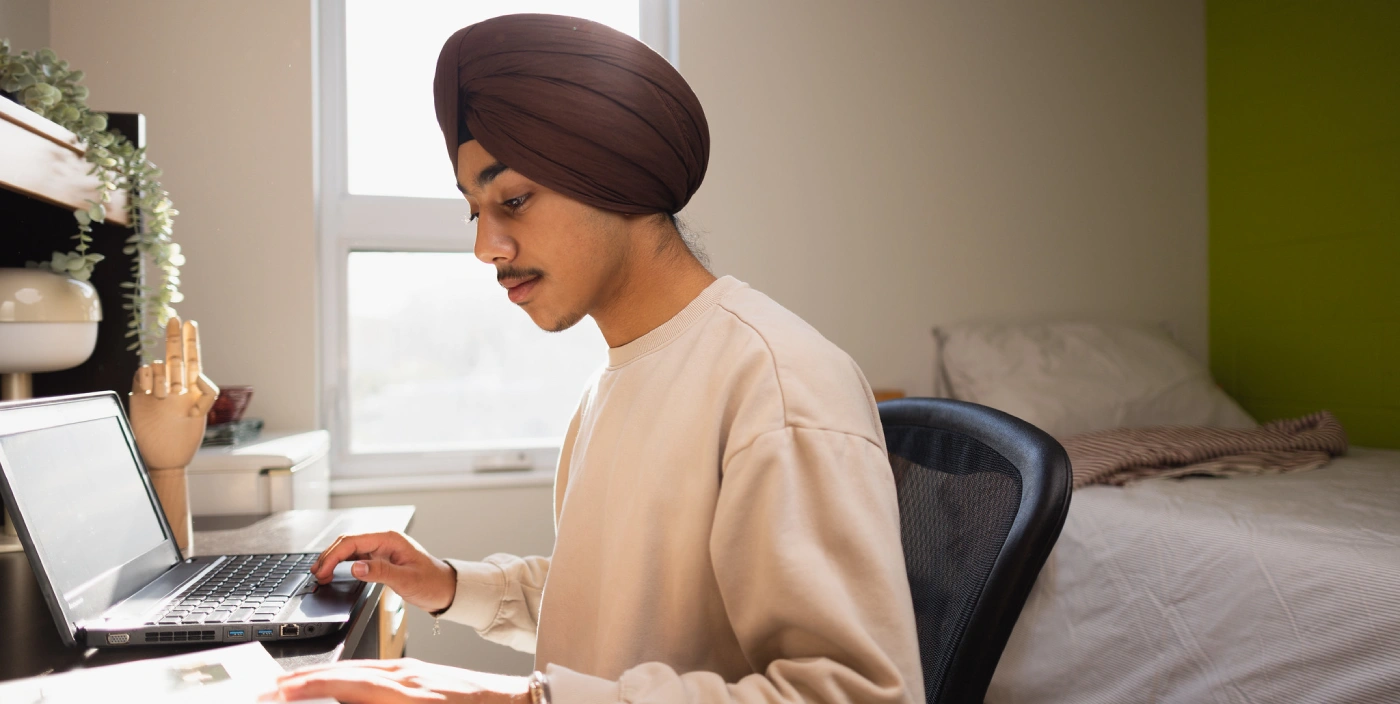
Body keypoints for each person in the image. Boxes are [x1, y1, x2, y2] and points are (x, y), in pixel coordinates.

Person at [273, 13, 922, 704]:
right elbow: (620, 614)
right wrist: (450, 585)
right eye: (475, 212)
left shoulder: (777, 383)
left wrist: (504, 701)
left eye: (513, 200)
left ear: (616, 176)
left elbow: (857, 694)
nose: (486, 247)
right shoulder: (612, 384)